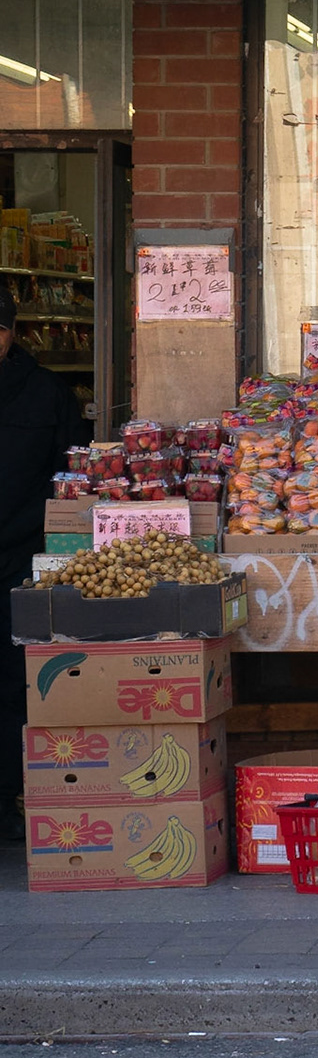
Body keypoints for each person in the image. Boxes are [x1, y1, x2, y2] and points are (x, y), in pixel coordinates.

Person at [0, 286, 88, 841]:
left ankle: (11, 799)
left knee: (16, 683)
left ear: (11, 332)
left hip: (18, 560)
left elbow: (70, 476)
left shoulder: (45, 392)